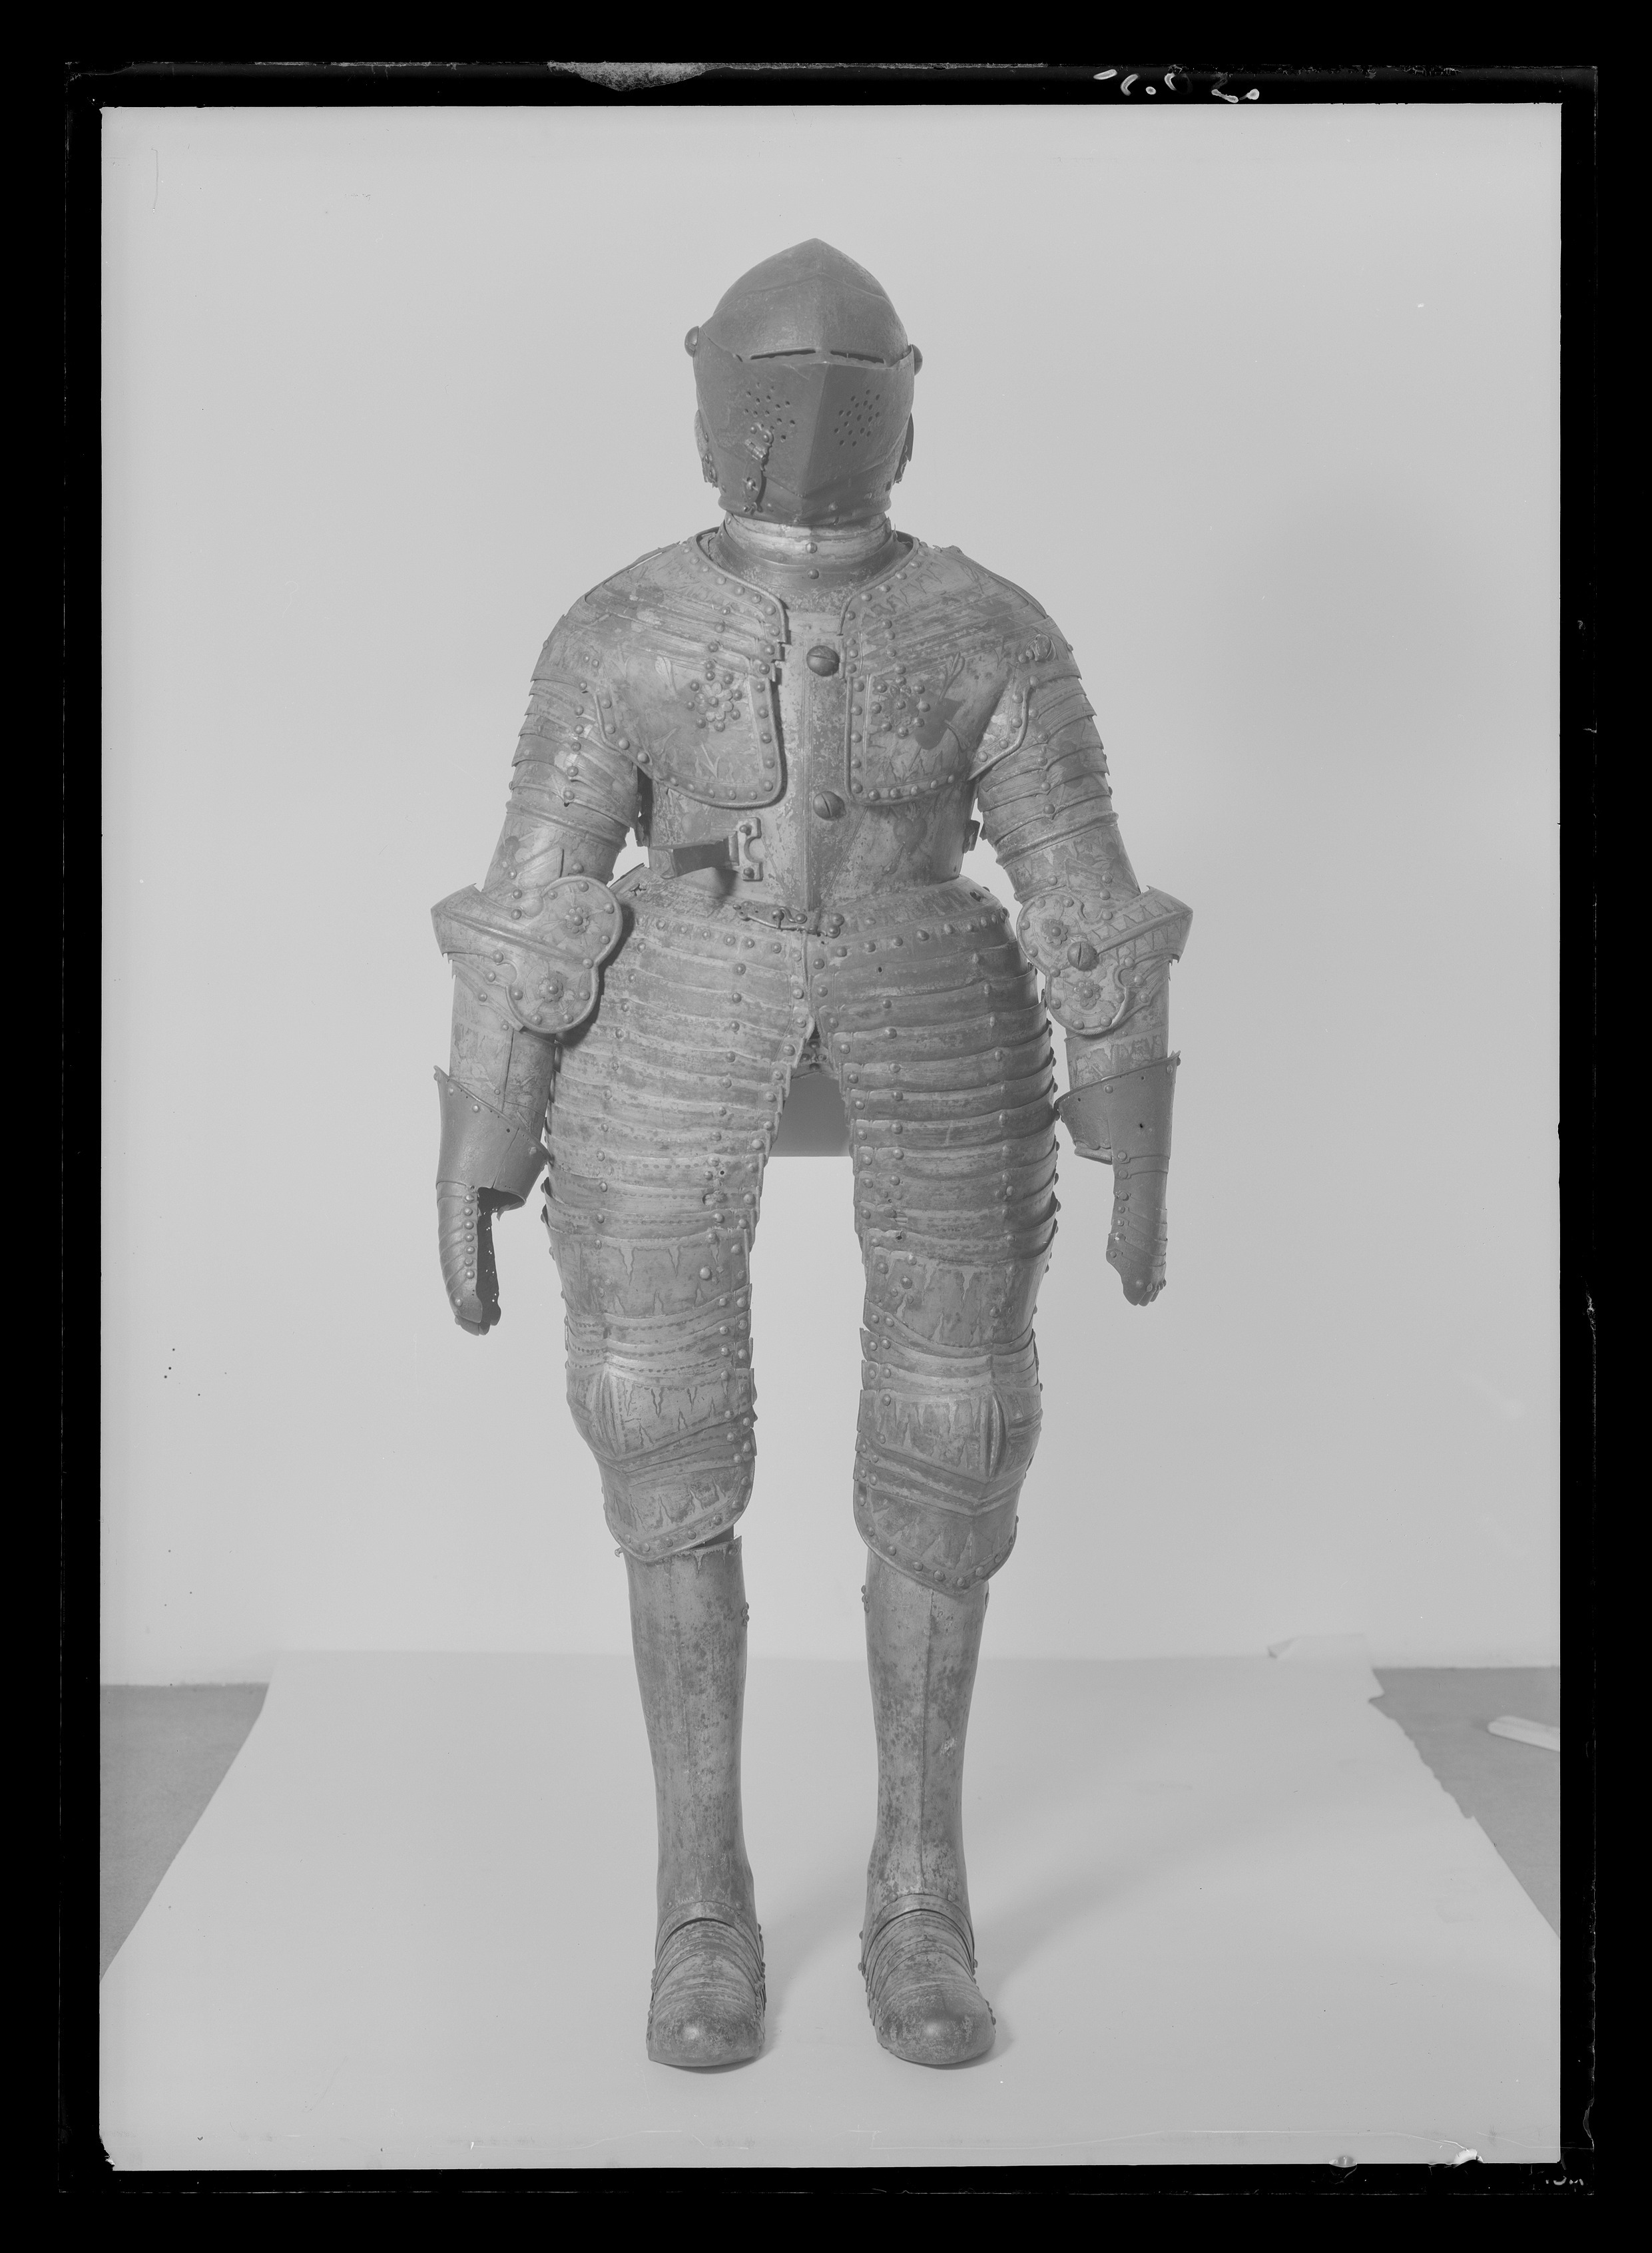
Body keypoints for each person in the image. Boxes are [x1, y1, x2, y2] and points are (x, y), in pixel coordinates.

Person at [431, 240, 1190, 2071]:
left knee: (953, 1441)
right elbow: (541, 895)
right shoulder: (624, 627)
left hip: (934, 1011)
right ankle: (701, 1899)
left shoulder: (987, 628)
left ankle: (919, 1893)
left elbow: (1080, 888)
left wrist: (1130, 1124)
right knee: (659, 1441)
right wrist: (483, 1126)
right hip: (675, 1019)